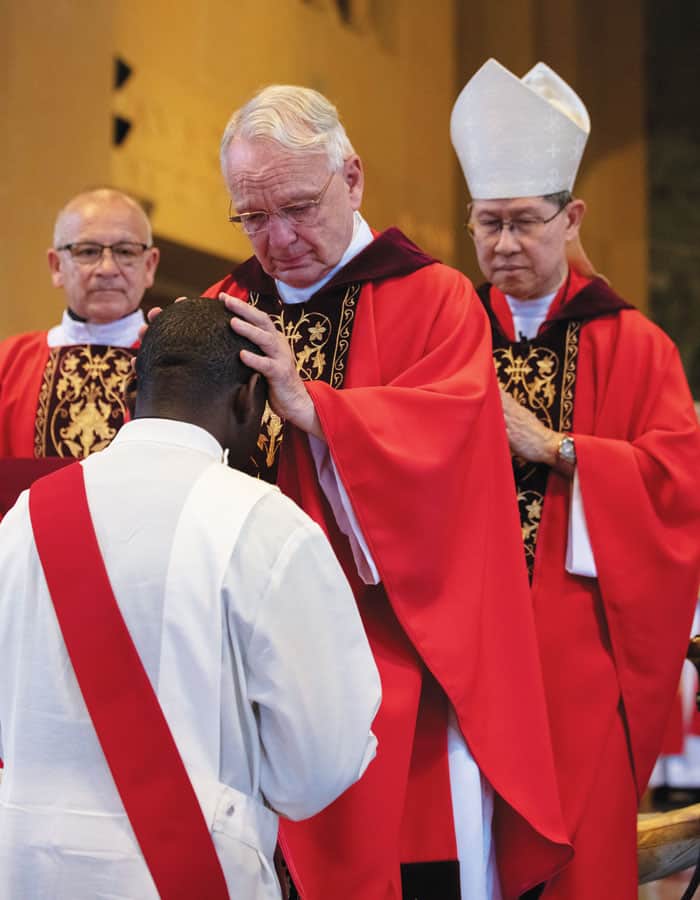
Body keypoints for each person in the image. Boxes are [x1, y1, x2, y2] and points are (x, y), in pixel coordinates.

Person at [194, 84, 573, 900]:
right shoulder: (221, 310)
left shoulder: (435, 301)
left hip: (401, 656)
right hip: (235, 666)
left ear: (353, 178)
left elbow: (448, 485)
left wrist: (317, 410)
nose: (279, 239)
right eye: (251, 218)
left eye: (297, 206)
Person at [0, 297, 381, 900]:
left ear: (133, 393)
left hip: (25, 865)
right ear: (248, 398)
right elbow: (318, 768)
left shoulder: (24, 518)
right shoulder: (264, 524)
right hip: (188, 867)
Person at [451, 58, 700, 899]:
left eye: (526, 222)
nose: (506, 245)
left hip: (577, 657)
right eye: (489, 224)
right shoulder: (446, 333)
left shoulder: (634, 345)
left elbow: (679, 480)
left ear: (572, 217)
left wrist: (560, 449)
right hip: (459, 645)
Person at [0, 187, 159, 459]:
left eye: (125, 251)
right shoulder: (9, 362)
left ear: (149, 266)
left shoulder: (175, 362)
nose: (107, 269)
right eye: (87, 251)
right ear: (56, 266)